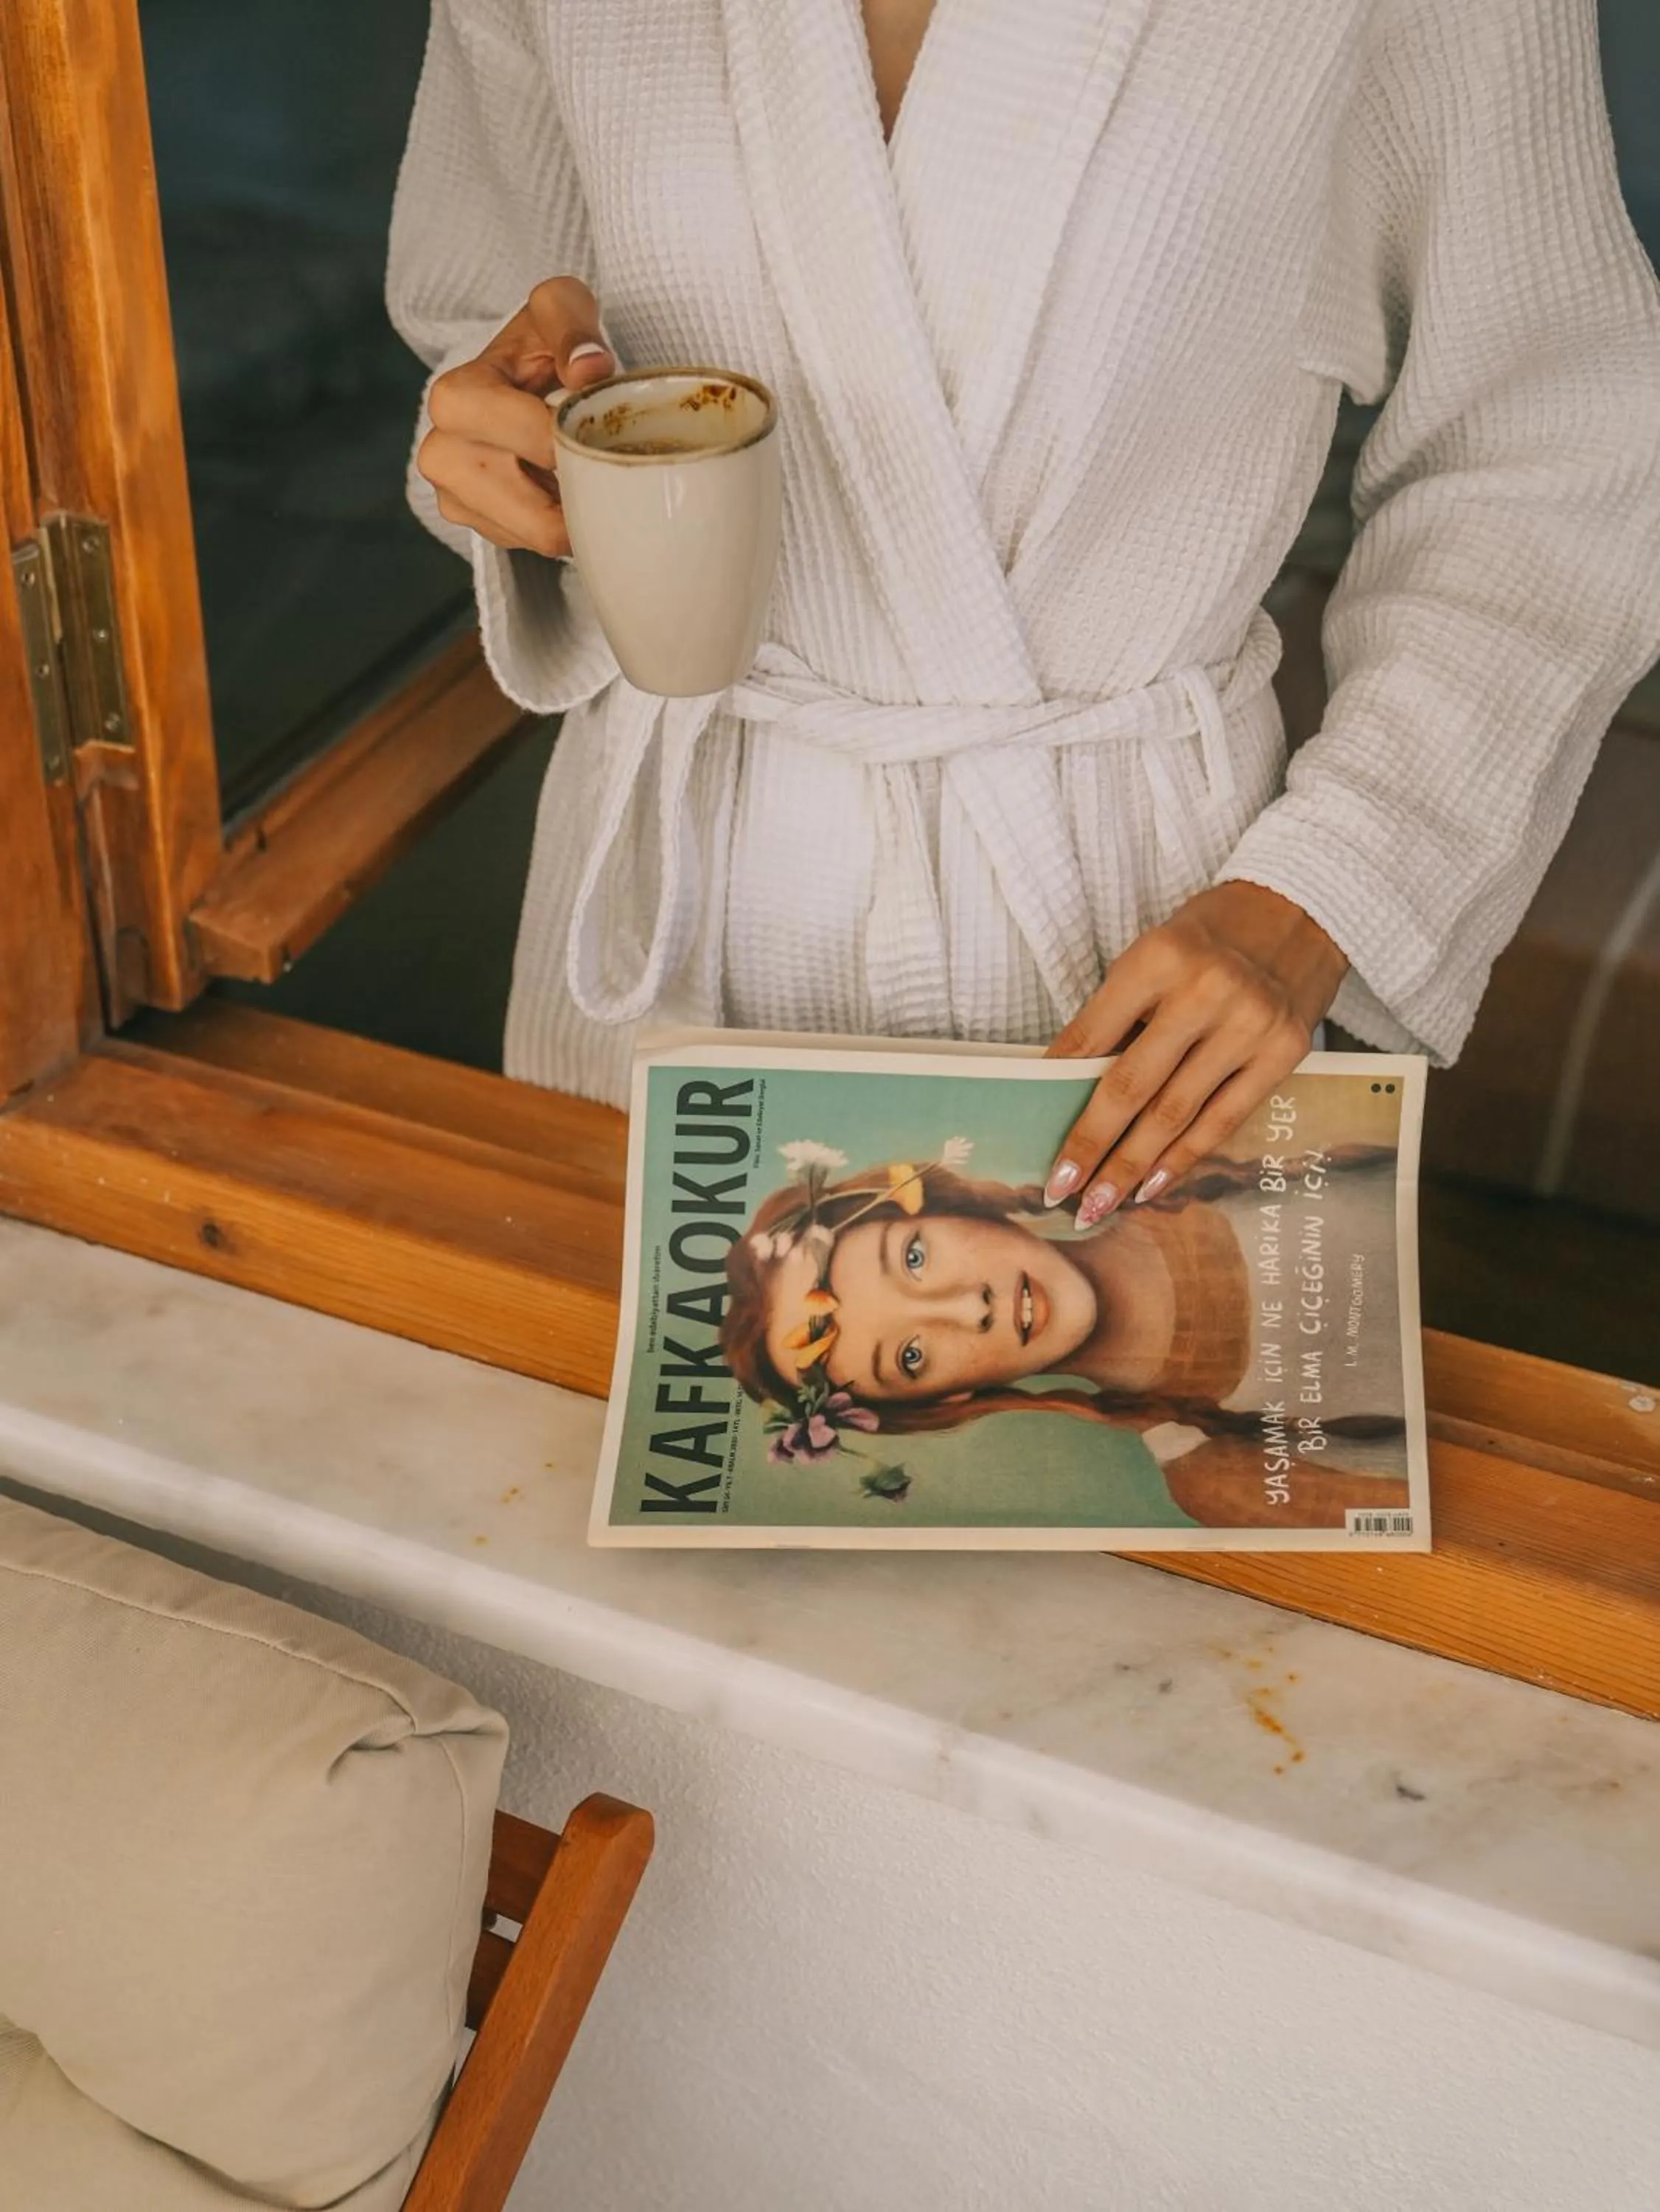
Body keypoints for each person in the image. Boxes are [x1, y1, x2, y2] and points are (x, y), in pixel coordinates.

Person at [388, 0, 1660, 1225]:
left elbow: (1550, 442)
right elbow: (495, 312)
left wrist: (1331, 891)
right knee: (586, 1425)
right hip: (668, 908)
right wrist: (499, 442)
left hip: (1139, 952)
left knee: (1127, 1408)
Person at [718, 1143, 1412, 1528]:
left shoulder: (1215, 1148)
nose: (969, 1310)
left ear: (947, 1205)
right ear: (953, 1399)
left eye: (915, 1259)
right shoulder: (1215, 1480)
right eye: (911, 1355)